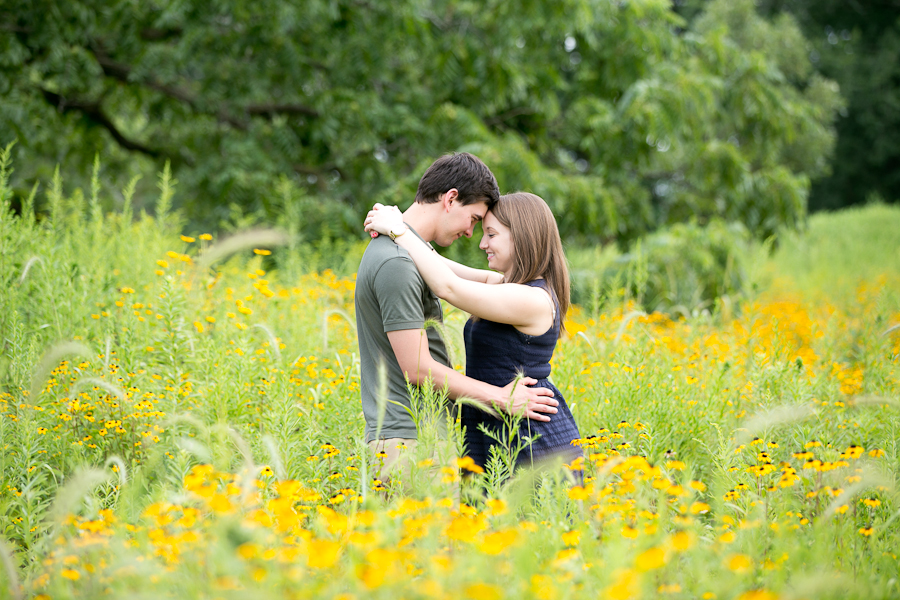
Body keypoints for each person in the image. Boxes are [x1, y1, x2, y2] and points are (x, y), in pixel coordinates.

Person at [355, 154, 559, 487]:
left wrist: (401, 230)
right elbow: (417, 368)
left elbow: (456, 279)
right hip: (410, 441)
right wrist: (502, 398)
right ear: (451, 199)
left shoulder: (407, 254)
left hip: (423, 436)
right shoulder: (397, 263)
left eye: (488, 231)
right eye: (475, 219)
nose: (473, 235)